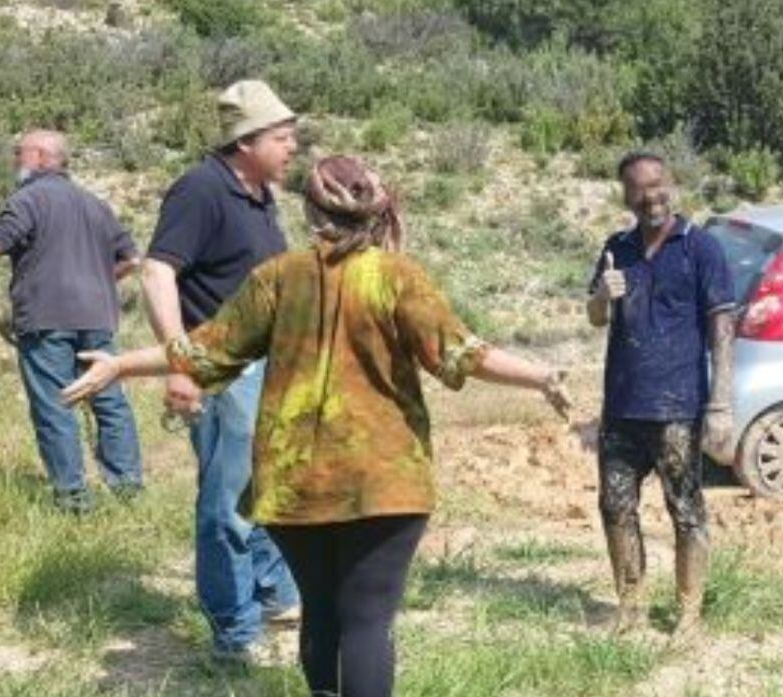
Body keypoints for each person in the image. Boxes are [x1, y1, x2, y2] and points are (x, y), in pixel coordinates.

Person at [63, 155, 571, 697]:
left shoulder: (279, 277)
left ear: (309, 211)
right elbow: (464, 355)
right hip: (384, 484)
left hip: (295, 485)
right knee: (368, 622)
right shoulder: (396, 277)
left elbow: (202, 353)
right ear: (377, 210)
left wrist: (120, 363)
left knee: (322, 614)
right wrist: (540, 375)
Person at [139, 79, 301, 662]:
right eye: (283, 138)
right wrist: (181, 364)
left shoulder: (258, 195)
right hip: (224, 374)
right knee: (226, 504)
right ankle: (235, 634)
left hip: (267, 370)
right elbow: (157, 273)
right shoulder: (200, 190)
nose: (292, 148)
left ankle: (272, 592)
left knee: (263, 489)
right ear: (247, 142)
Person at [0, 129, 142, 515]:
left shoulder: (28, 198)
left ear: (40, 156)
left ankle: (73, 500)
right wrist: (100, 280)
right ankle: (128, 492)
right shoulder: (95, 204)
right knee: (109, 401)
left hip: (47, 318)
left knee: (56, 406)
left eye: (18, 153)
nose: (14, 161)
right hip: (98, 316)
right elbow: (132, 259)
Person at [586, 151, 736, 636]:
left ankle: (689, 614)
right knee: (615, 505)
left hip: (677, 407)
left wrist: (720, 404)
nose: (650, 195)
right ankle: (631, 608)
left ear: (671, 185)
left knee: (686, 508)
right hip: (623, 407)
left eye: (658, 184)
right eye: (639, 187)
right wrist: (601, 297)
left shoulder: (701, 248)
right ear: (626, 196)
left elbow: (721, 327)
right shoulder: (617, 248)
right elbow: (594, 317)